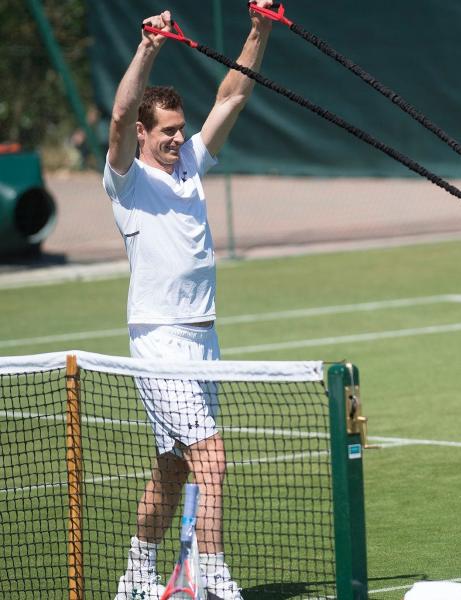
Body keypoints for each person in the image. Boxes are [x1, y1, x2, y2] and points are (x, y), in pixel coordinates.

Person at [103, 4, 274, 599]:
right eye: (167, 131)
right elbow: (121, 112)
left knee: (174, 467)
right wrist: (148, 46)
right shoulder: (126, 179)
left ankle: (136, 572)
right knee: (212, 457)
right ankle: (211, 574)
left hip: (204, 340)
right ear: (145, 137)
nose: (178, 137)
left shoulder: (192, 166)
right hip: (159, 338)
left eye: (180, 129)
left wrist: (259, 31)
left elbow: (230, 98)